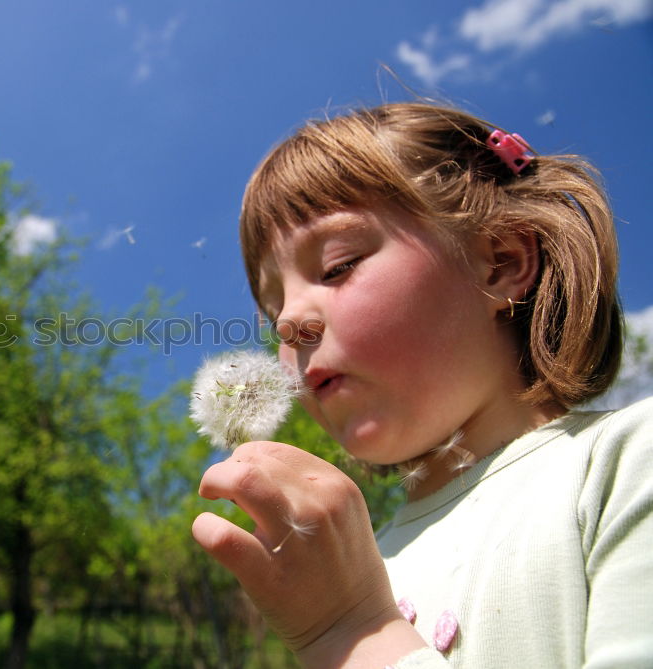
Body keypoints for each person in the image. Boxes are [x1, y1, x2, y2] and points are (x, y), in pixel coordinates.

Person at [191, 102, 652, 668]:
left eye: (337, 265)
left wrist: (353, 634)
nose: (287, 323)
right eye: (272, 308)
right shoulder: (347, 566)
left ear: (501, 260)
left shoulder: (628, 463)